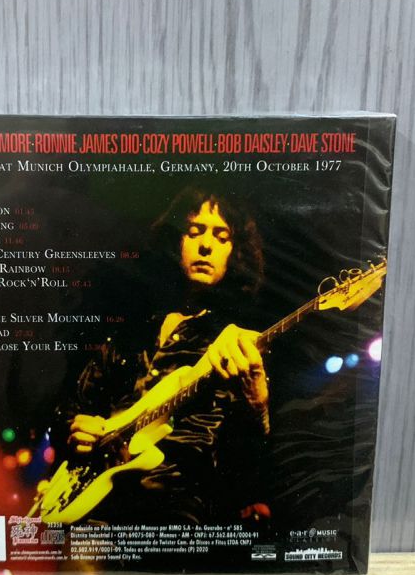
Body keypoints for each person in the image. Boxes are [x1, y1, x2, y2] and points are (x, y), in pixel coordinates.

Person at [54, 187, 271, 525]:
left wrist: (258, 404)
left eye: (221, 236)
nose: (206, 245)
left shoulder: (237, 343)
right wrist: (76, 429)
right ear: (174, 241)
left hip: (179, 516)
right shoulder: (133, 332)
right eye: (194, 231)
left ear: (236, 253)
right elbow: (71, 407)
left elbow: (250, 465)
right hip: (98, 507)